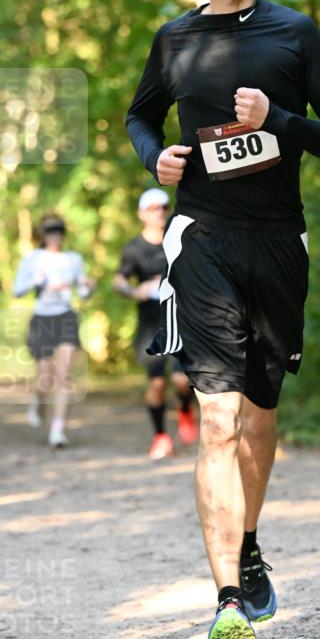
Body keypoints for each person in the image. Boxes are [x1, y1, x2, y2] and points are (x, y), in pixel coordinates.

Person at [125, 0, 320, 639]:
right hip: (202, 241)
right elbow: (138, 118)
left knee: (259, 420)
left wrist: (279, 119)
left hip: (276, 245)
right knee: (218, 419)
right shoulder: (175, 39)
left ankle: (249, 541)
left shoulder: (293, 33)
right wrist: (152, 158)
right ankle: (227, 599)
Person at [113, 187, 198, 459]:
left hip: (182, 319)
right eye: (152, 208)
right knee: (157, 385)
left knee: (182, 380)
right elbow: (119, 280)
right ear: (141, 214)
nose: (159, 212)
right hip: (150, 325)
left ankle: (185, 410)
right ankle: (160, 436)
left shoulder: (180, 239)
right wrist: (133, 291)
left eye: (163, 207)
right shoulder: (134, 249)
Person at [12, 214, 95, 449]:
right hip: (42, 319)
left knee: (64, 375)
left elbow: (83, 291)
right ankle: (38, 401)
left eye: (59, 230)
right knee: (44, 378)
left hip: (66, 317)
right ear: (43, 234)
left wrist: (89, 287)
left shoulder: (73, 259)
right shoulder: (33, 259)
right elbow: (17, 290)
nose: (55, 235)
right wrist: (37, 283)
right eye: (50, 231)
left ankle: (57, 430)